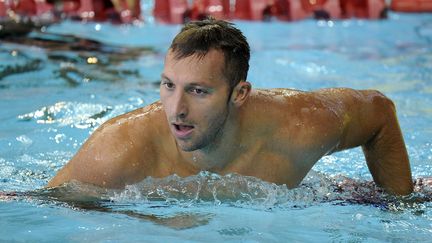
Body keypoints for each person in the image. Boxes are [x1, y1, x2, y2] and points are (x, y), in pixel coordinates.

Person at [47, 18, 413, 195]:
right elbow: (41, 207)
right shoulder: (117, 152)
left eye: (198, 91)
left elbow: (379, 112)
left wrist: (398, 207)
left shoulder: (299, 126)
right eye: (168, 86)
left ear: (239, 94)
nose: (176, 109)